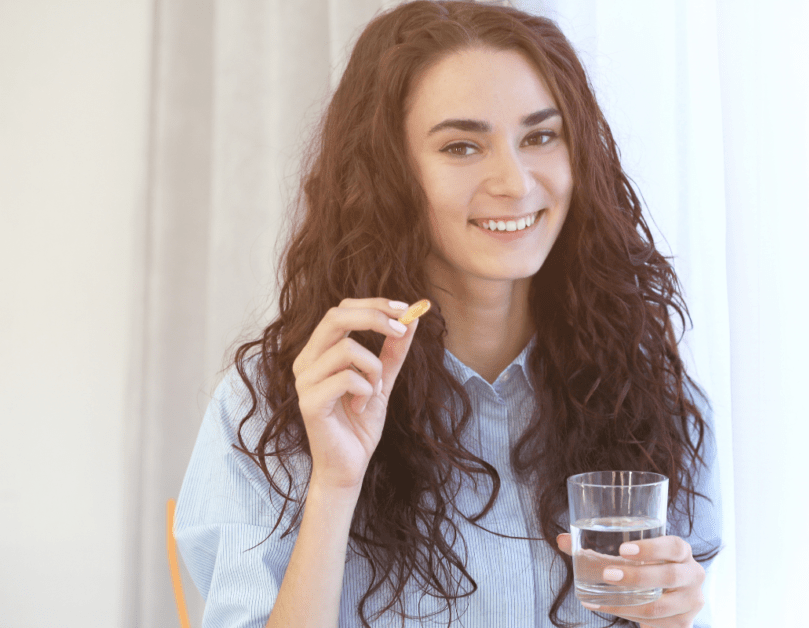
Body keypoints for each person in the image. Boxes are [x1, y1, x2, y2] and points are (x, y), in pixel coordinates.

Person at [175, 2, 722, 627]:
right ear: (389, 175)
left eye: (541, 136)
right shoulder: (273, 410)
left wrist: (675, 618)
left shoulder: (647, 395)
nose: (514, 182)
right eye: (462, 146)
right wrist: (333, 485)